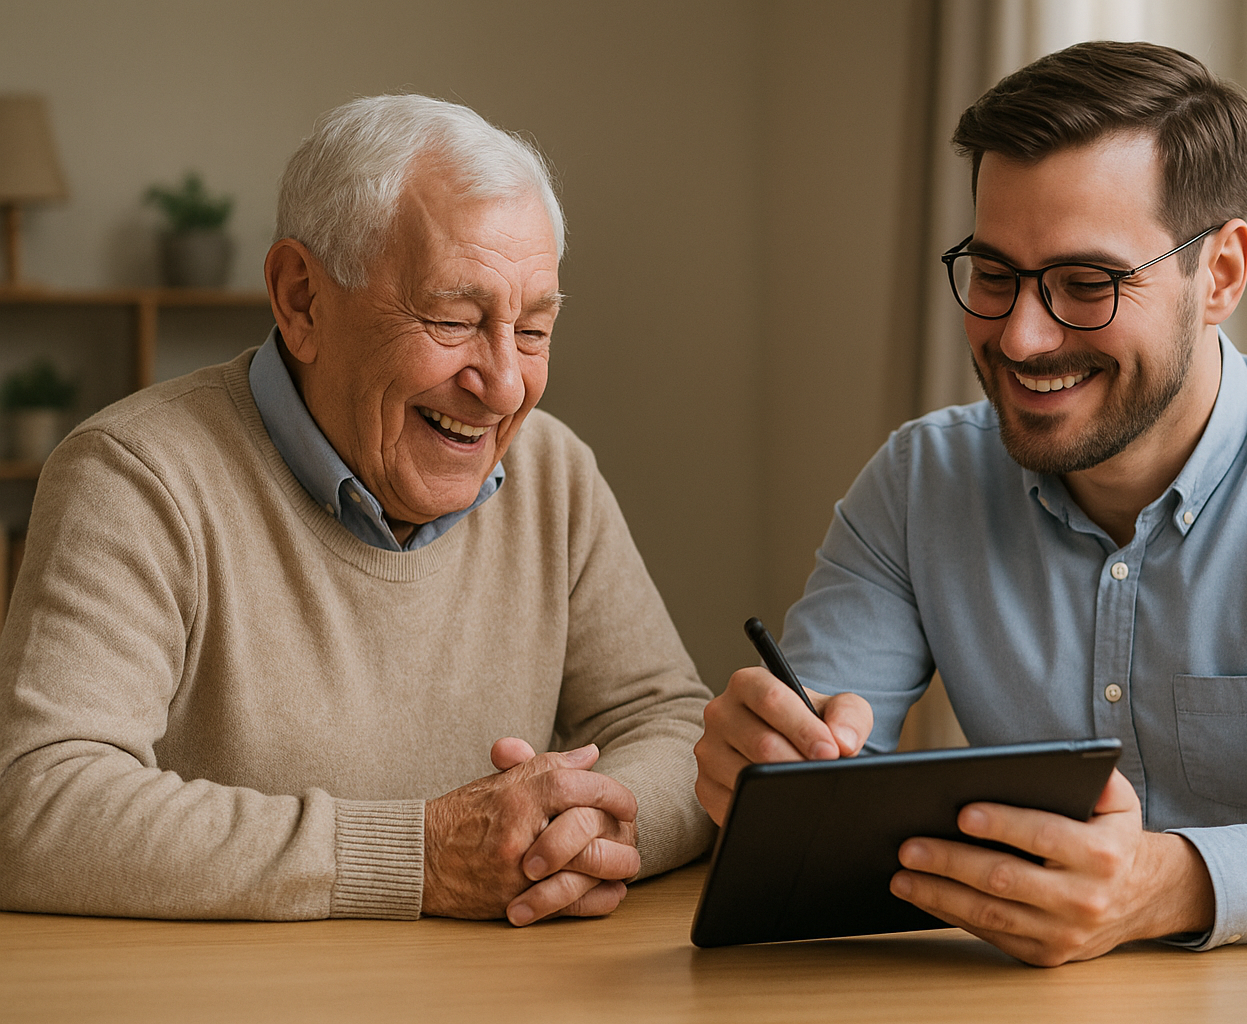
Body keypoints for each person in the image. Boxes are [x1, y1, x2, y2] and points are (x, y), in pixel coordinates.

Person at [694, 41, 1247, 965]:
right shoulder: (917, 483)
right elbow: (817, 784)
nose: (1020, 335)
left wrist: (1168, 883)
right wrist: (770, 775)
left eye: (1086, 284)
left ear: (1218, 274)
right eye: (994, 273)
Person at [0, 95, 714, 924]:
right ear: (301, 299)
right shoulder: (132, 478)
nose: (506, 384)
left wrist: (587, 826)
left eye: (531, 330)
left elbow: (673, 727)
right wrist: (417, 859)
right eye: (453, 318)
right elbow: (38, 803)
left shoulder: (554, 471)